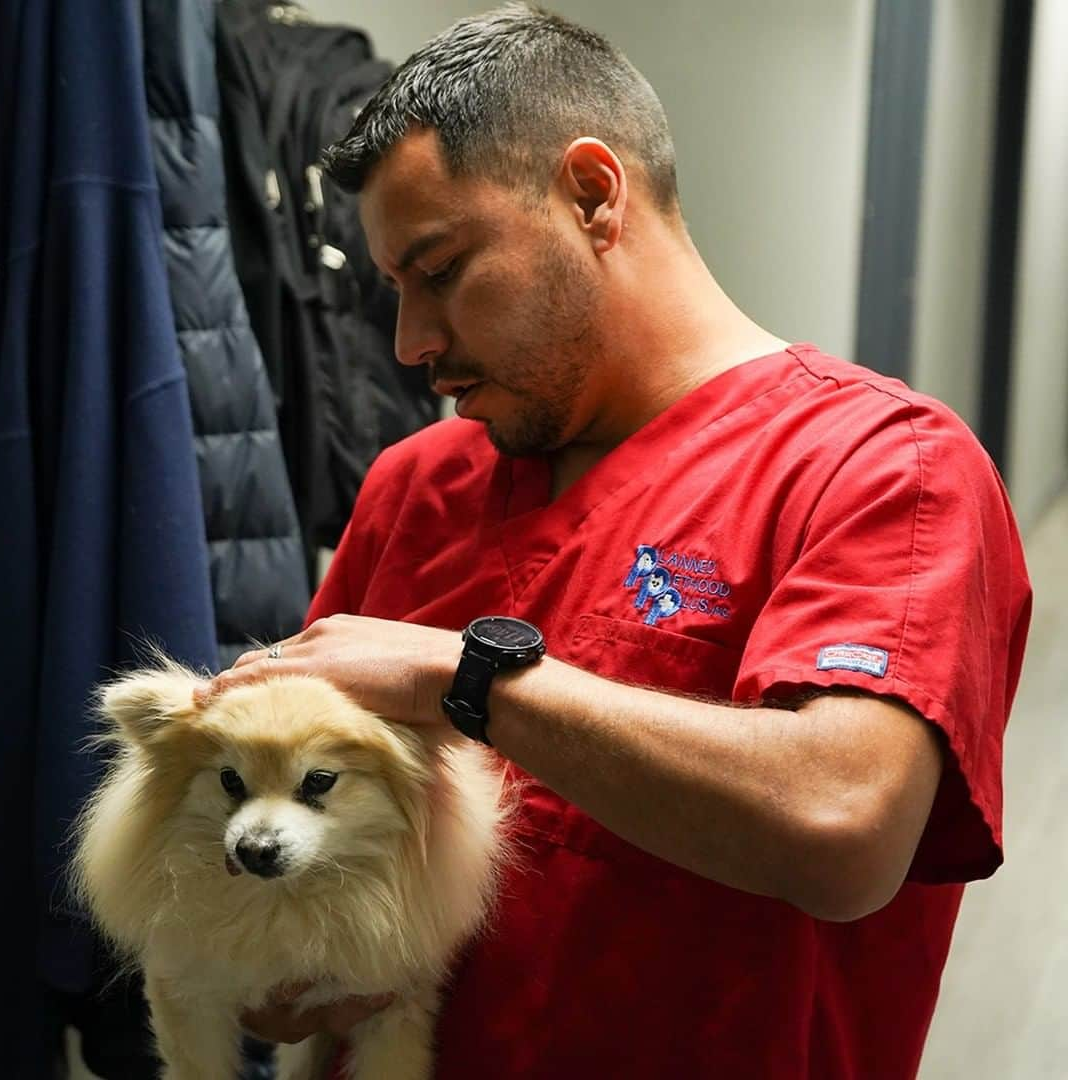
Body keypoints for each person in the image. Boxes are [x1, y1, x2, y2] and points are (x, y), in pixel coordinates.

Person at [201, 5, 1032, 1077]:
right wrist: (265, 943)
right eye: (394, 292)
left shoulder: (882, 467)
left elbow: (841, 825)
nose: (413, 347)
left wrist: (465, 679)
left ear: (593, 195)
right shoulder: (417, 485)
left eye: (442, 270)